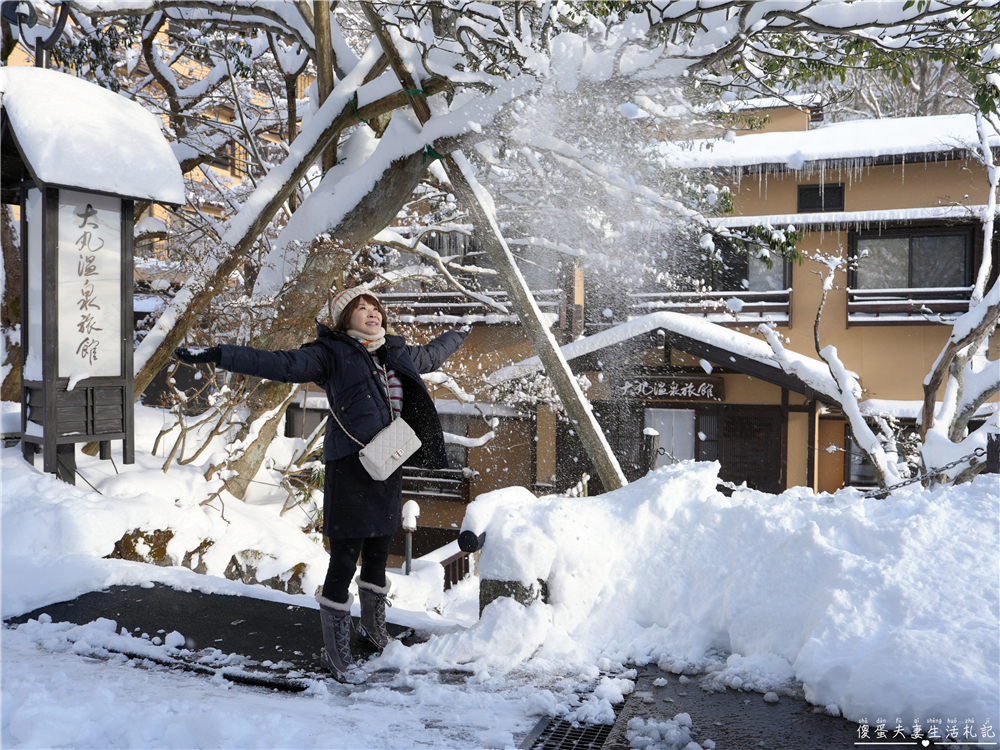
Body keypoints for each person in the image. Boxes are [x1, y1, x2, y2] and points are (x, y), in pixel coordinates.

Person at [175, 287, 468, 682]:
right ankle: (336, 650)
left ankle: (372, 627)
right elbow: (281, 364)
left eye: (374, 307)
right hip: (350, 464)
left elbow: (433, 354)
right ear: (342, 320)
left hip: (387, 460)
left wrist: (461, 332)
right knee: (346, 555)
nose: (371, 313)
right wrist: (221, 354)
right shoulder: (330, 353)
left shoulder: (395, 352)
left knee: (380, 548)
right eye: (360, 308)